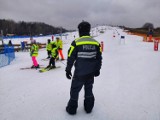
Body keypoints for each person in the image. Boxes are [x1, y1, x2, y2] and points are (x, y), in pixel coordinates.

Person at [65, 21, 102, 115]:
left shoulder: (76, 42)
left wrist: (68, 69)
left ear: (80, 31)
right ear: (89, 30)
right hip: (91, 73)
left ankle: (72, 109)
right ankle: (89, 108)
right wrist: (97, 69)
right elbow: (99, 58)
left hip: (79, 73)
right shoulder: (96, 43)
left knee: (74, 90)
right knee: (89, 89)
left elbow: (70, 57)